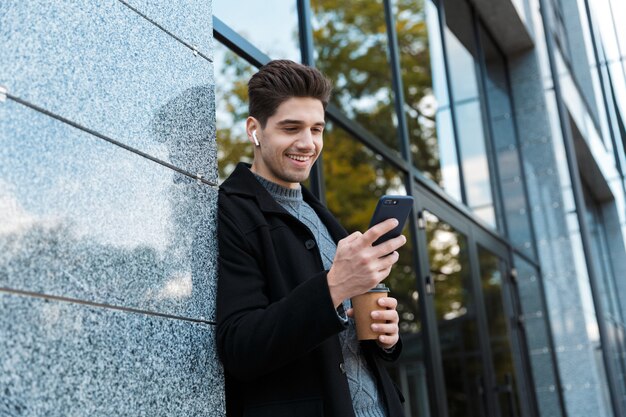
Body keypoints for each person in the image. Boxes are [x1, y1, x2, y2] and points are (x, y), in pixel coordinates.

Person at [216, 59, 407, 417]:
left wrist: (387, 338)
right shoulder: (232, 210)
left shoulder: (320, 215)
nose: (307, 143)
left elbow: (347, 344)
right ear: (254, 130)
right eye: (291, 128)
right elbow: (239, 346)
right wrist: (334, 285)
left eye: (316, 129)